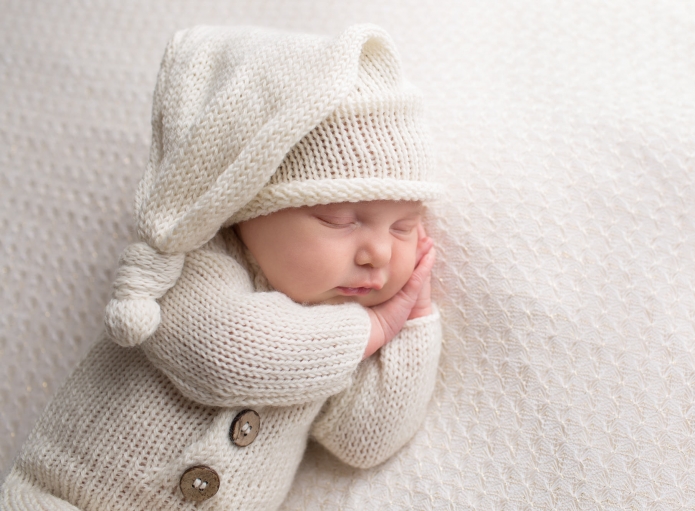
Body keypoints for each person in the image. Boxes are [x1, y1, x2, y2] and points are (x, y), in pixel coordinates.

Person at [0, 23, 443, 510]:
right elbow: (227, 354)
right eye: (339, 219)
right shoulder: (194, 265)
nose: (378, 253)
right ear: (248, 203)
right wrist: (377, 326)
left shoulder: (339, 327)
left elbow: (365, 441)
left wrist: (415, 319)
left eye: (403, 227)